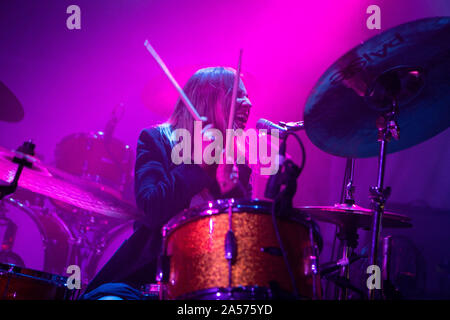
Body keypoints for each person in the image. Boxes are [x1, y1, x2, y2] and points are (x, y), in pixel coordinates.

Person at [81, 67, 253, 300]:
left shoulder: (235, 160)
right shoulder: (157, 140)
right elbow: (152, 209)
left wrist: (231, 189)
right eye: (238, 95)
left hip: (210, 285)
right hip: (145, 280)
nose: (249, 103)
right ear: (208, 99)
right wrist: (197, 165)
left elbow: (244, 235)